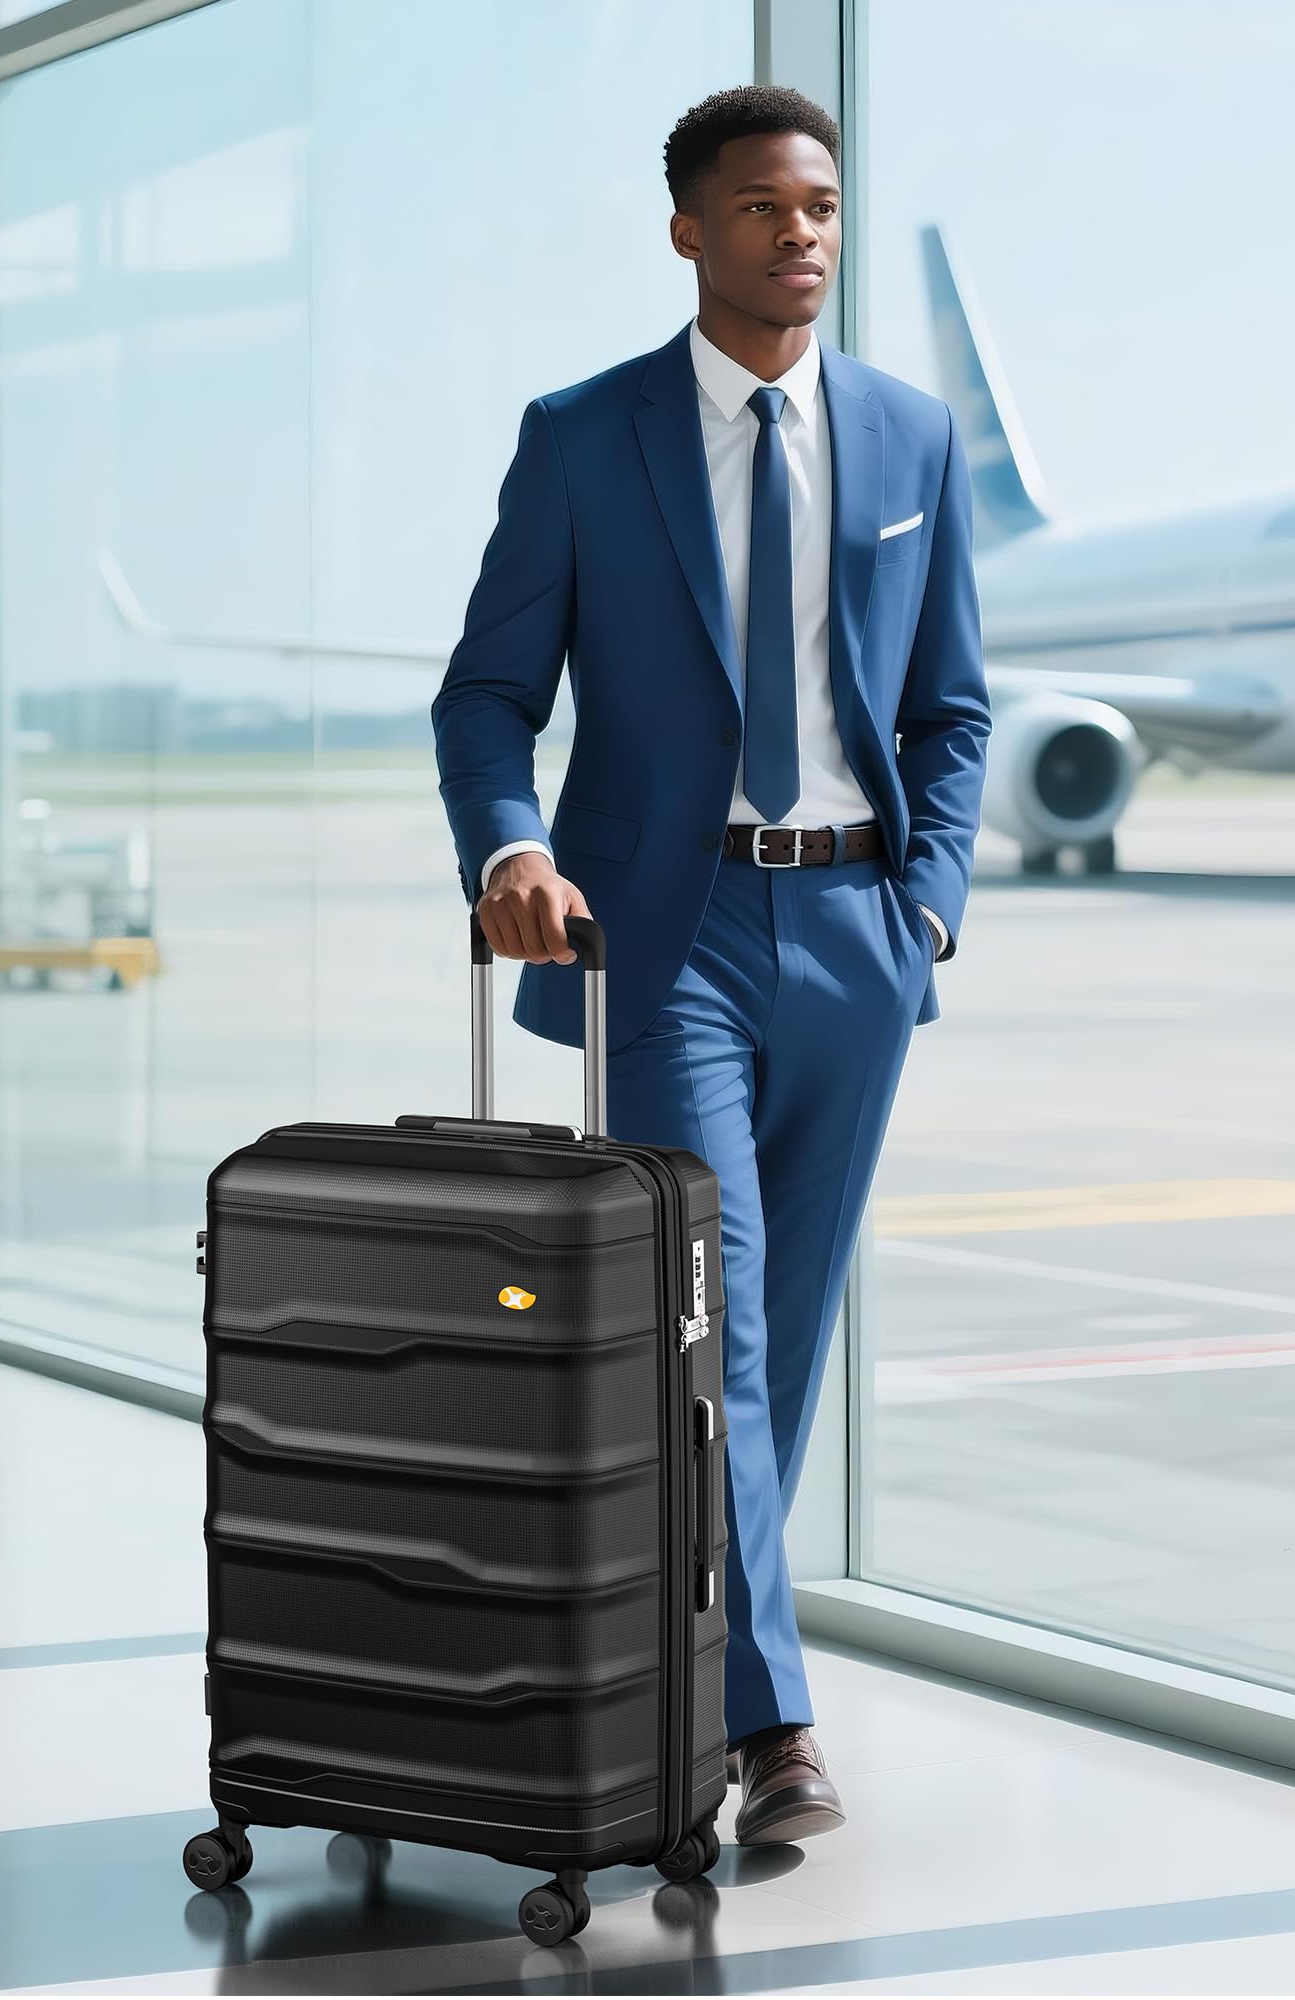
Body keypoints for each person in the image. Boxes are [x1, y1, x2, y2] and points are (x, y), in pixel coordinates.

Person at [429, 82, 990, 1846]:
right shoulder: (585, 437)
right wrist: (509, 841)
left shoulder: (911, 439)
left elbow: (952, 707)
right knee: (715, 1319)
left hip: (855, 940)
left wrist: (932, 910)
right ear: (689, 229)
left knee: (781, 1336)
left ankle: (675, 1659)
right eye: (760, 207)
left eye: (820, 204)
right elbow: (486, 694)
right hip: (659, 943)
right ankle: (773, 1732)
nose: (800, 233)